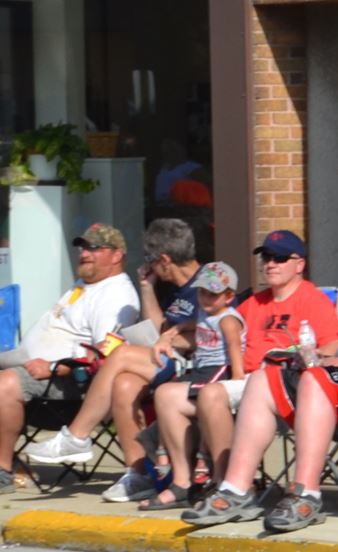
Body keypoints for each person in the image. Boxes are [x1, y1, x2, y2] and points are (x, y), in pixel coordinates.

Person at [187, 215, 338, 532]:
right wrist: (317, 357)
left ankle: (306, 494)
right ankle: (236, 490)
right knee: (266, 378)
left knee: (316, 378)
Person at [24, 218, 202, 491]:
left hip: (197, 365)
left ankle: (77, 435)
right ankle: (138, 473)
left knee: (119, 355)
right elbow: (157, 330)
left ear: (165, 260)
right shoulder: (170, 287)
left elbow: (209, 331)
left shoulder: (206, 283)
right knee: (124, 383)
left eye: (150, 260)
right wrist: (147, 288)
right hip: (167, 359)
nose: (147, 265)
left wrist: (173, 336)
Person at [180, 229, 338, 512]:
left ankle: (228, 483)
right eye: (267, 257)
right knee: (167, 397)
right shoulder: (254, 302)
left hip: (285, 383)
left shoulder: (312, 298)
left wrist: (309, 358)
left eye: (279, 258)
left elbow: (334, 343)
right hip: (245, 379)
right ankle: (177, 482)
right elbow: (217, 324)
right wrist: (173, 334)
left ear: (299, 264)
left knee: (211, 394)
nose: (270, 264)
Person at [0, 223, 144, 490]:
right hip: (31, 367)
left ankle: (3, 469)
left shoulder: (116, 295)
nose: (85, 253)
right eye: (83, 247)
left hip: (69, 384)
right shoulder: (84, 286)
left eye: (94, 248)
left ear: (117, 255)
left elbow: (104, 354)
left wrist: (53, 366)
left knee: (5, 384)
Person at [145, 263, 246, 510]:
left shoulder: (228, 319)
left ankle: (211, 469)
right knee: (163, 392)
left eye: (213, 294)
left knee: (198, 394)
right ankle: (181, 480)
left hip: (220, 370)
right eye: (202, 292)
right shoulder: (205, 313)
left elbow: (234, 348)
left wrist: (238, 377)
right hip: (201, 369)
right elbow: (190, 324)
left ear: (229, 296)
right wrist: (172, 332)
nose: (206, 298)